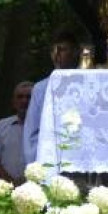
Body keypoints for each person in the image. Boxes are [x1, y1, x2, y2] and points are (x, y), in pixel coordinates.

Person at [23, 31, 81, 165]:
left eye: (62, 49)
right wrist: (33, 163)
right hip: (49, 157)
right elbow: (32, 129)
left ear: (75, 52)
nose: (56, 54)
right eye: (53, 50)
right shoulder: (41, 88)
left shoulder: (88, 84)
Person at [0, 82, 33, 185]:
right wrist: (12, 184)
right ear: (13, 102)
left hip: (36, 192)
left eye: (29, 97)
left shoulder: (46, 129)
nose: (24, 100)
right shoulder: (0, 126)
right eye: (20, 97)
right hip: (3, 191)